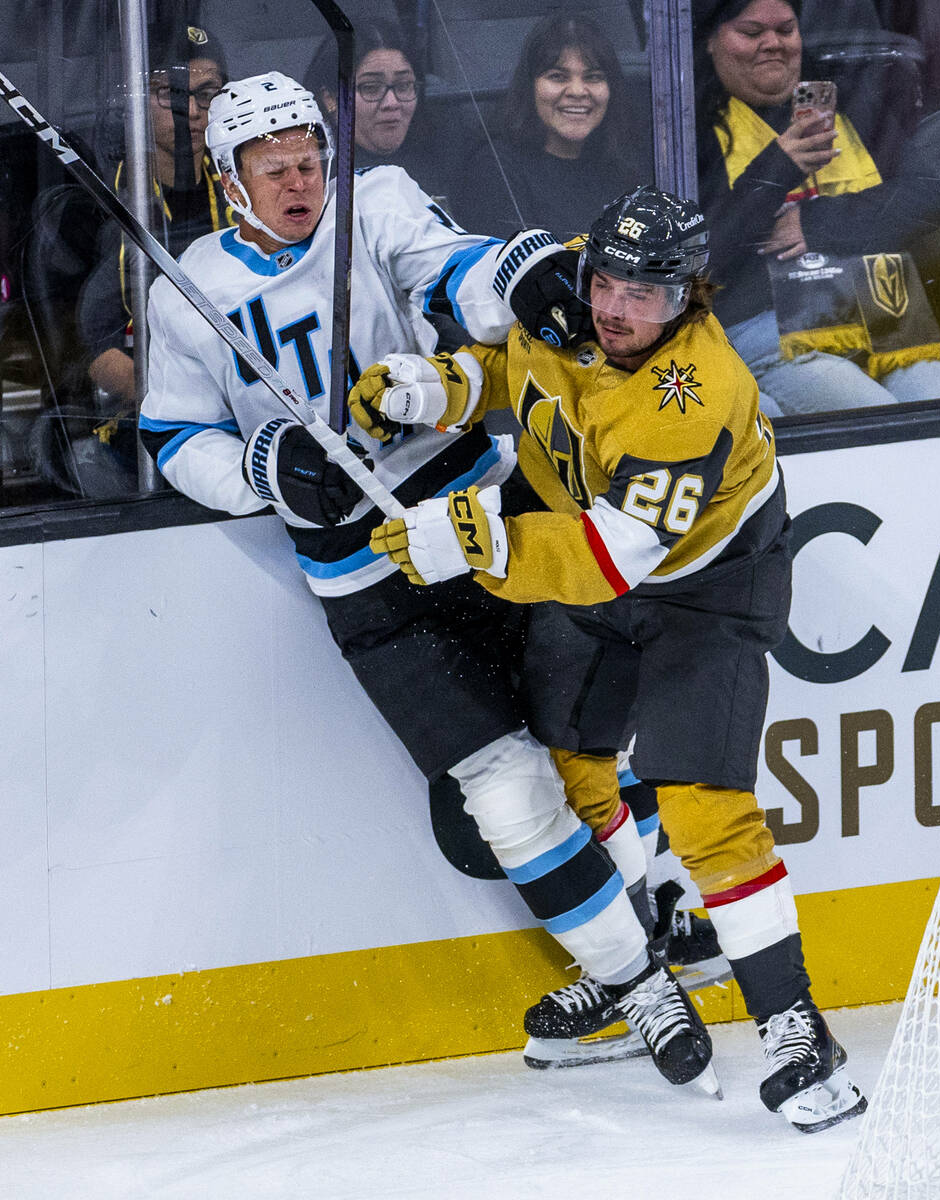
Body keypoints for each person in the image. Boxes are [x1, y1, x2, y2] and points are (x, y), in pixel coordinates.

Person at [138, 72, 716, 1097]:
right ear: (231, 184)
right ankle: (639, 985)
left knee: (589, 742)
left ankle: (663, 913)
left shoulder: (381, 202)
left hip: (478, 520)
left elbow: (457, 275)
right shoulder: (187, 289)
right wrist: (262, 471)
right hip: (364, 580)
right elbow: (176, 436)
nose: (299, 181)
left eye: (309, 158)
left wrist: (526, 275)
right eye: (272, 168)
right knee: (506, 794)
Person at [356, 185, 868, 1132]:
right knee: (578, 765)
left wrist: (471, 544)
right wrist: (436, 390)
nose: (619, 309)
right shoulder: (573, 293)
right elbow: (512, 371)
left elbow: (606, 558)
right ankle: (638, 966)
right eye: (610, 282)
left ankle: (800, 1033)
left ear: (691, 297)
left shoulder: (697, 394)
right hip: (590, 559)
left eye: (649, 294)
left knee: (704, 807)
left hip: (705, 589)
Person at [692, 0, 940, 416]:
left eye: (786, 30)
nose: (773, 44)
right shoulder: (687, 125)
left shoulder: (847, 100)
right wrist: (778, 167)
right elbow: (706, 252)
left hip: (882, 316)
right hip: (771, 330)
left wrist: (814, 223)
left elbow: (927, 200)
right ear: (712, 41)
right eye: (752, 33)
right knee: (875, 416)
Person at [79, 22, 232, 412]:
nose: (194, 111)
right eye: (172, 94)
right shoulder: (101, 201)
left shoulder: (243, 186)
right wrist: (184, 410)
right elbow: (91, 344)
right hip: (152, 417)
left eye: (208, 93)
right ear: (134, 100)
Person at [449, 13, 648, 243]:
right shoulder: (495, 170)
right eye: (557, 76)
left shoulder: (624, 168)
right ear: (530, 86)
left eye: (593, 77)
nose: (577, 91)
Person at [304, 19, 454, 205]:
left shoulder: (449, 159)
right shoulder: (307, 178)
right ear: (330, 98)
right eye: (371, 88)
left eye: (404, 85)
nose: (392, 103)